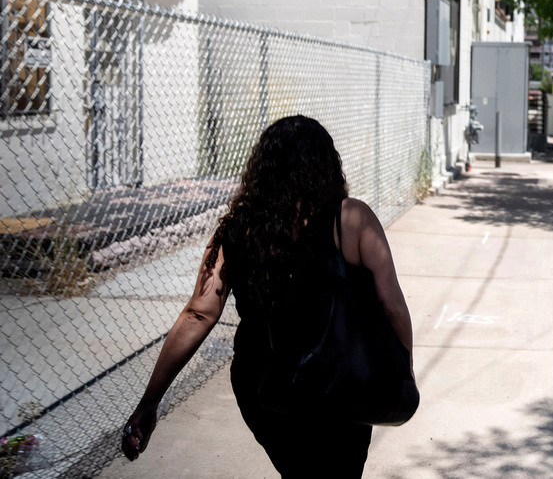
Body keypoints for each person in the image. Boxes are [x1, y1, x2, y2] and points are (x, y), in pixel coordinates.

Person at [120, 115, 414, 478]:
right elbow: (392, 303)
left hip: (267, 385)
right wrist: (401, 368)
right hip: (342, 381)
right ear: (326, 165)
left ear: (262, 169)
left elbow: (199, 314)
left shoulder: (237, 229)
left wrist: (150, 403)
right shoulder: (351, 219)